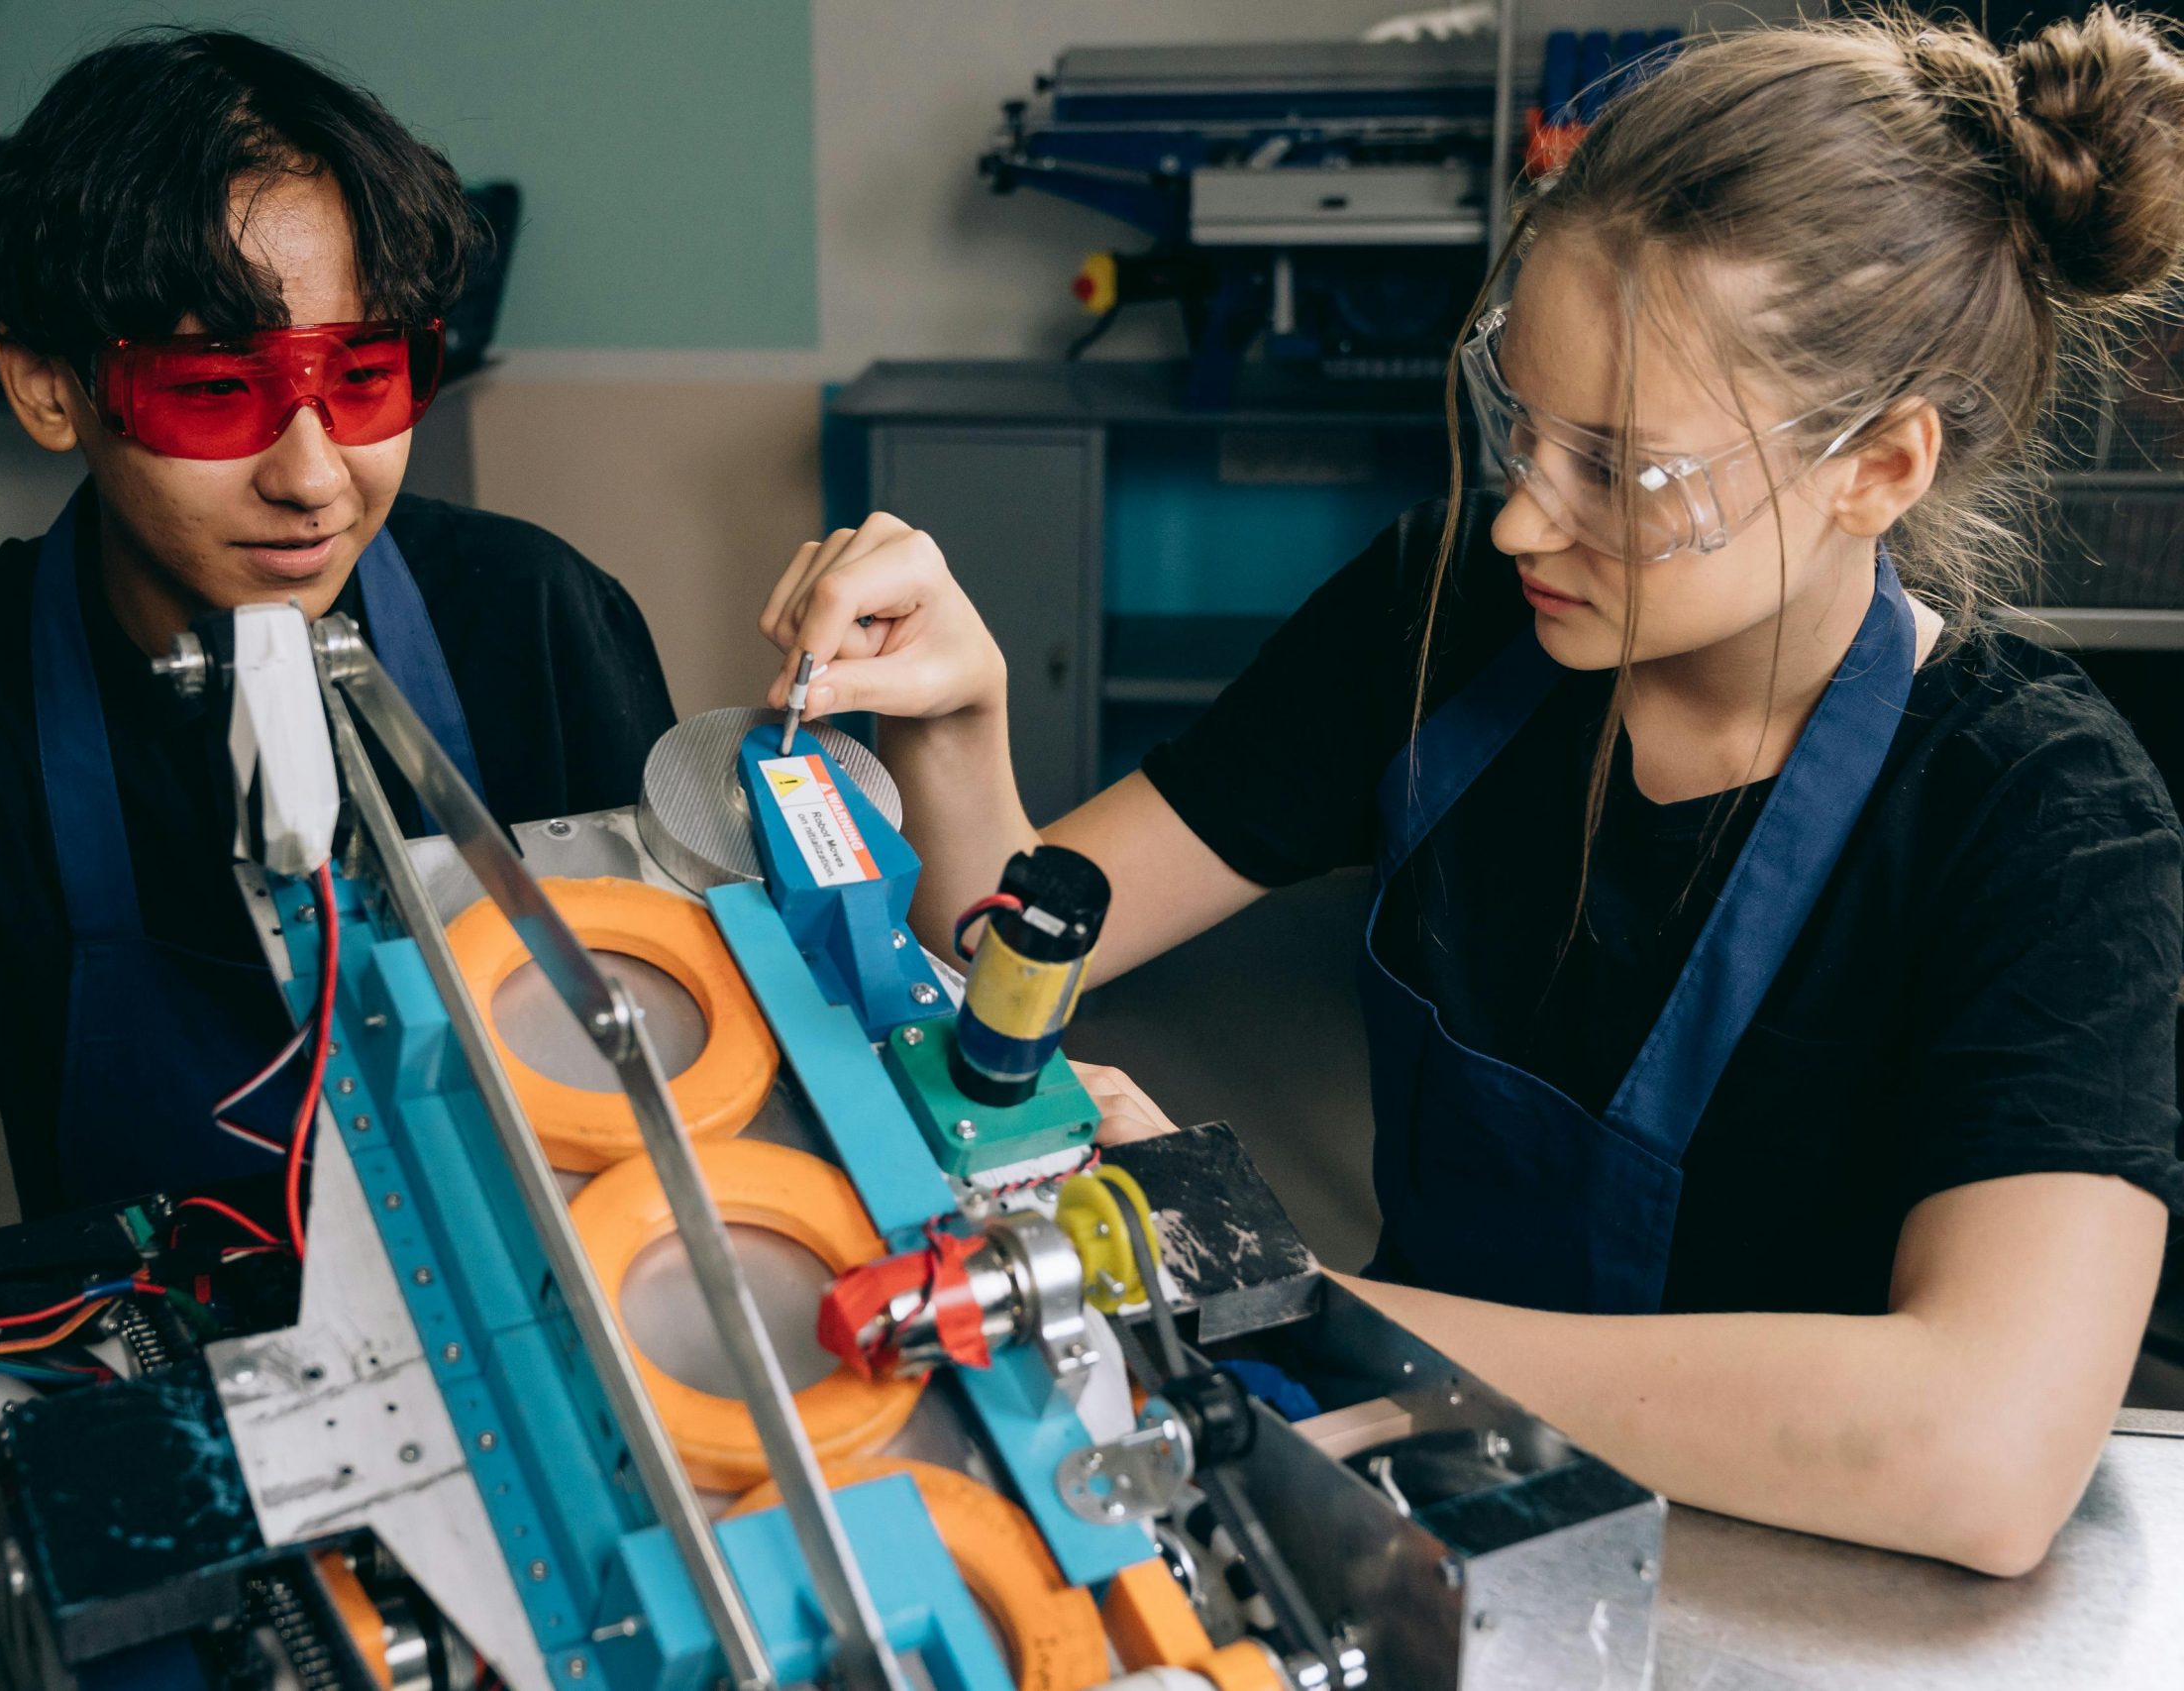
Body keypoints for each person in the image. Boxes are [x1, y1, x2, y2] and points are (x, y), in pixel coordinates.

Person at [759, 9, 2184, 1575]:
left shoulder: (2042, 823)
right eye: (1523, 423)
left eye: (1625, 474)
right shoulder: (1444, 615)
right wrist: (960, 729)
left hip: (1782, 1586)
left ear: (1881, 467)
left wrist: (1287, 1293)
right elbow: (1001, 969)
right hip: (1393, 1485)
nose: (1521, 522)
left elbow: (1980, 1452)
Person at [0, 32, 675, 1311]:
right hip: (161, 1385)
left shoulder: (532, 615)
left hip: (555, 1320)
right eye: (213, 393)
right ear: (46, 387)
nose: (312, 477)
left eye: (360, 379)